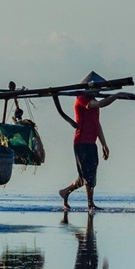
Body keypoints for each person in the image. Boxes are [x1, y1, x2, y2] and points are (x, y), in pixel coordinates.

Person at [53, 72, 129, 211]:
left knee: (90, 174)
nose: (98, 91)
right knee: (86, 176)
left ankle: (67, 193)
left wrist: (104, 144)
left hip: (91, 142)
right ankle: (89, 203)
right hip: (81, 142)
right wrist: (116, 96)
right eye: (97, 89)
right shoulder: (82, 98)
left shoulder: (92, 101)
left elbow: (96, 124)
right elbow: (99, 103)